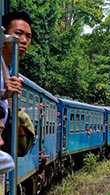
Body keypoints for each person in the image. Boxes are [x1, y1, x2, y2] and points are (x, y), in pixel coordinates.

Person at [0, 9, 32, 172]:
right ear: (4, 35)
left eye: (28, 36)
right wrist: (4, 94)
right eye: (19, 33)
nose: (24, 40)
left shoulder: (8, 69)